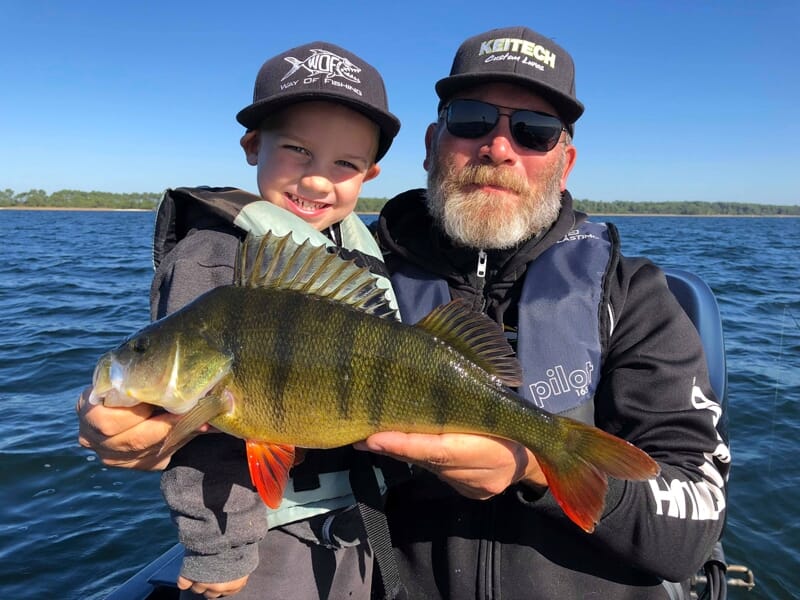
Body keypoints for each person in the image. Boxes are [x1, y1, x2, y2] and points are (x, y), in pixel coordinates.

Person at [79, 26, 730, 599]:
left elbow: (693, 530)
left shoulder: (634, 296)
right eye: (473, 119)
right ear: (432, 141)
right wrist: (137, 429)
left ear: (566, 160)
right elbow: (256, 391)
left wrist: (531, 466)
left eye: (534, 131)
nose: (499, 148)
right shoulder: (356, 272)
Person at [81, 40, 401, 599]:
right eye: (298, 150)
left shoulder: (348, 248)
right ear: (254, 146)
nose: (319, 180)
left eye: (344, 164)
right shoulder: (212, 258)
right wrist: (219, 550)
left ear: (370, 174)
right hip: (265, 548)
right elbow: (201, 444)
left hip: (358, 525)